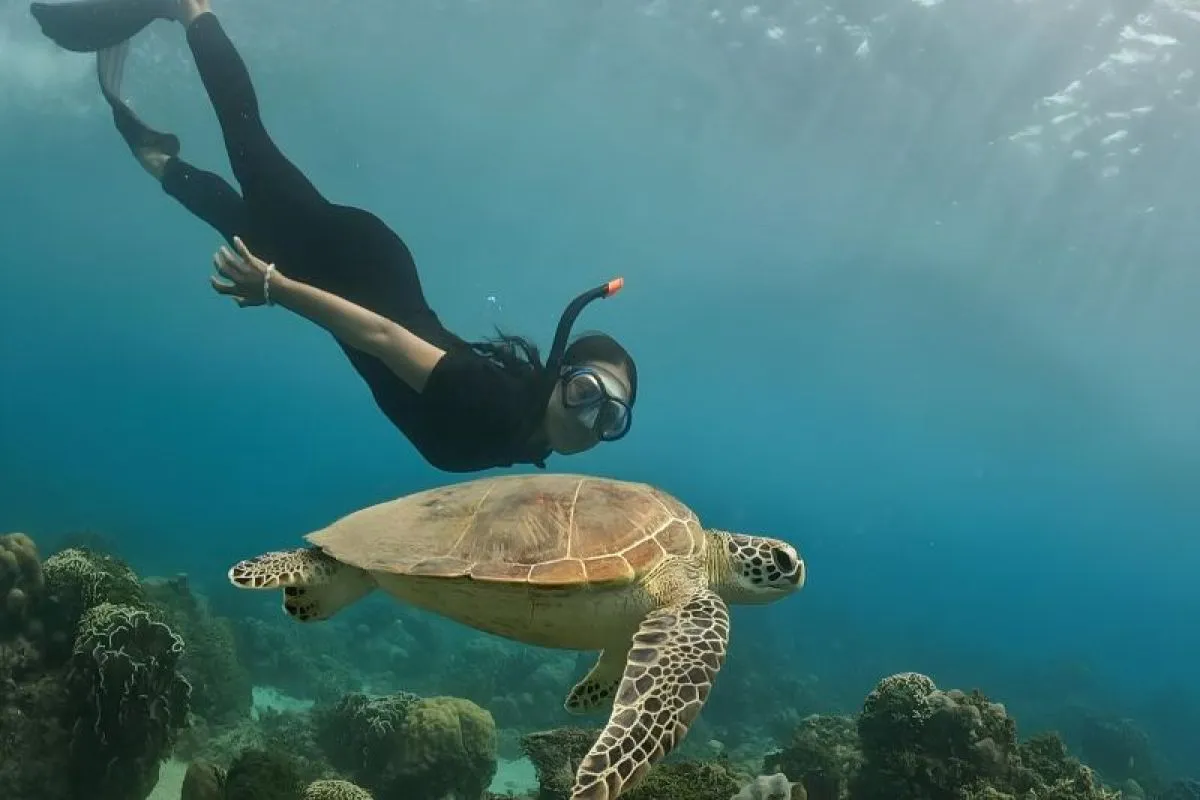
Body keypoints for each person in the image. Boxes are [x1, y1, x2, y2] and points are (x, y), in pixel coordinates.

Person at [30, 0, 638, 473]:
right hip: (355, 263)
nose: (590, 419)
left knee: (228, 214)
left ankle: (152, 150)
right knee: (248, 144)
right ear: (561, 378)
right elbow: (381, 336)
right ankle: (193, 9)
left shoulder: (533, 437)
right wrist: (274, 288)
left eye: (610, 417)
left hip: (351, 276)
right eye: (586, 392)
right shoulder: (491, 402)